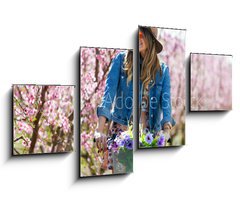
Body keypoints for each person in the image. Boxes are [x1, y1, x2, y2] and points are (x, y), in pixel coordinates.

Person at [94, 49, 133, 173]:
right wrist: (99, 129)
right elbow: (108, 95)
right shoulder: (121, 59)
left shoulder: (156, 68)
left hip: (146, 135)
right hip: (122, 134)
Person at [139, 26, 175, 146]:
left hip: (152, 133)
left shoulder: (162, 71)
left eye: (142, 35)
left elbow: (166, 100)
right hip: (129, 131)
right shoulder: (130, 65)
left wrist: (166, 129)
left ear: (150, 40)